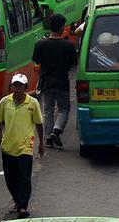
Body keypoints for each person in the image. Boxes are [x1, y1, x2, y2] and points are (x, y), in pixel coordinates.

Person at [0, 73, 44, 218]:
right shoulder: (5, 102)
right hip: (8, 147)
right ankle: (17, 200)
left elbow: (39, 124)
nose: (17, 88)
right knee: (10, 178)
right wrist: (0, 139)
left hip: (25, 147)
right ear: (11, 87)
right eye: (15, 85)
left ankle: (22, 206)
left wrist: (41, 143)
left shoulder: (33, 103)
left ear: (26, 87)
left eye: (20, 86)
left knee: (24, 177)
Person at [33, 14, 77, 150]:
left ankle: (47, 139)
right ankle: (56, 131)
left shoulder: (40, 44)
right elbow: (73, 63)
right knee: (64, 109)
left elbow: (37, 62)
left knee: (48, 110)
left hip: (46, 82)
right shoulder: (68, 45)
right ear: (62, 27)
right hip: (62, 81)